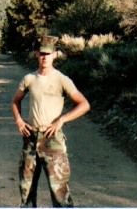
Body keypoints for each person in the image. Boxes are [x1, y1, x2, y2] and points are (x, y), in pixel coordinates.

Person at [11, 35, 90, 208]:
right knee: (26, 193)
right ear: (36, 54)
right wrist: (19, 120)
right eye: (41, 53)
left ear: (55, 55)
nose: (44, 57)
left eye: (48, 53)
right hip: (31, 140)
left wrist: (61, 120)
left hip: (52, 140)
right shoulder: (29, 79)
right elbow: (16, 101)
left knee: (60, 194)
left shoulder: (62, 80)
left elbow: (84, 104)